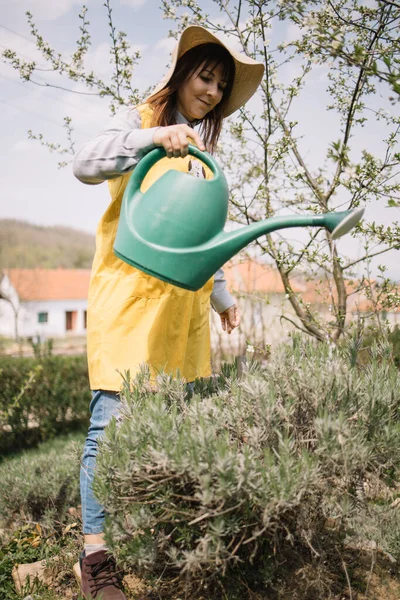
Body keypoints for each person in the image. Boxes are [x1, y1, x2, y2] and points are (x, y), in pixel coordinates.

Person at [73, 25, 264, 600]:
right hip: (130, 308)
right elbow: (84, 164)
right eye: (206, 77)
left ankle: (155, 537)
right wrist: (157, 135)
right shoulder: (137, 124)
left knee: (173, 427)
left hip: (182, 313)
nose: (210, 93)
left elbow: (196, 238)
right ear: (182, 73)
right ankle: (96, 558)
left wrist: (223, 297)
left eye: (220, 86)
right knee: (110, 428)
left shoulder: (202, 156)